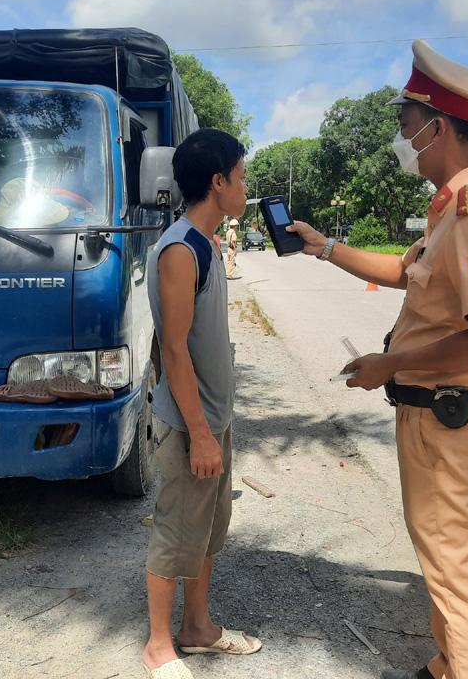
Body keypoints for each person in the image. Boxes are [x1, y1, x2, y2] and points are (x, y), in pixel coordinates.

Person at [289, 39, 468, 679]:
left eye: (405, 127)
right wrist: (324, 247)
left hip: (449, 417)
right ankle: (450, 662)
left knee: (456, 569)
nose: (400, 140)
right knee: (444, 560)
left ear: (437, 128)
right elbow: (403, 270)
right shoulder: (450, 205)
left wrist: (388, 364)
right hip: (434, 418)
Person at [142, 128, 260, 679]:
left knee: (208, 530)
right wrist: (201, 432)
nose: (245, 186)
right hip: (192, 424)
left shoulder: (207, 244)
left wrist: (218, 424)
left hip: (214, 418)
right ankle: (158, 646)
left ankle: (198, 628)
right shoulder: (180, 250)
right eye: (240, 177)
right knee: (176, 532)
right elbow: (174, 349)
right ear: (218, 182)